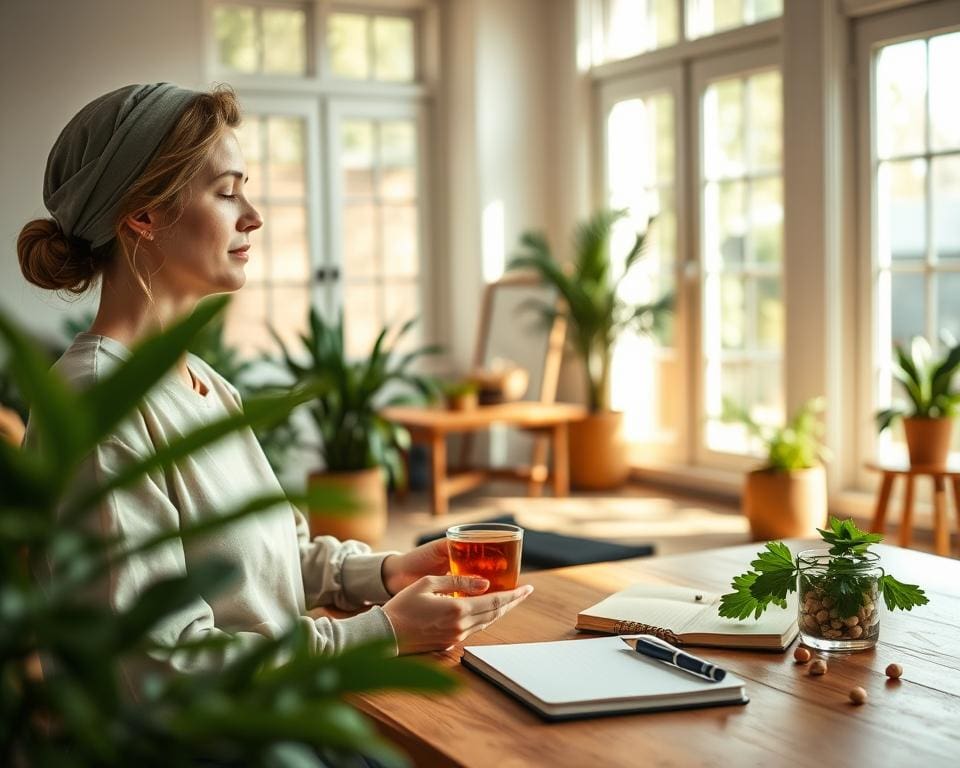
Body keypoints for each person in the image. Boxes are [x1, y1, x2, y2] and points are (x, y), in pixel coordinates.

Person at [17, 83, 532, 699]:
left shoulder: (205, 385)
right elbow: (154, 665)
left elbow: (269, 559)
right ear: (143, 214)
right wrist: (382, 634)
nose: (253, 216)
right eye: (226, 191)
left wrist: (385, 573)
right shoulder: (99, 404)